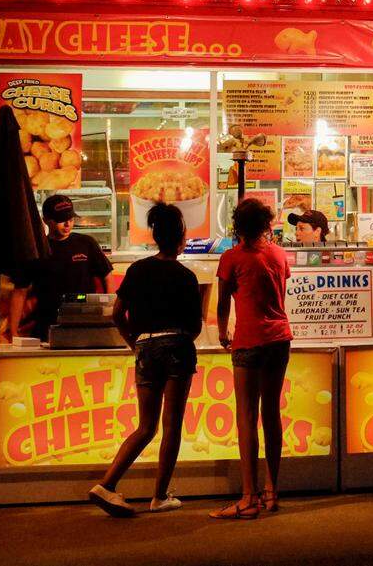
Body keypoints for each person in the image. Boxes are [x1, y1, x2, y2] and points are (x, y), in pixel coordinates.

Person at [89, 202, 202, 517]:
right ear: (180, 239)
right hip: (177, 347)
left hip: (146, 349)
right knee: (171, 426)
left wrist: (134, 343)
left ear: (155, 237)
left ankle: (106, 485)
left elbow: (116, 314)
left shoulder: (137, 270)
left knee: (146, 426)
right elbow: (194, 327)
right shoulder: (186, 276)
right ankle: (160, 496)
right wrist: (176, 340)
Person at [213, 198, 292, 519]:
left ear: (237, 227)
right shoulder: (278, 254)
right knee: (271, 414)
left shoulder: (231, 258)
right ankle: (272, 492)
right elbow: (280, 292)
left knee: (247, 417)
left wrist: (222, 333)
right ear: (266, 224)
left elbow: (221, 305)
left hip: (248, 341)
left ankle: (249, 497)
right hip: (279, 338)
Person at [10, 195, 111, 341]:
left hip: (85, 321)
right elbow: (20, 291)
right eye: (61, 220)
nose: (67, 224)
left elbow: (107, 276)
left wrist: (110, 313)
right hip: (48, 324)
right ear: (46, 221)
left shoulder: (86, 243)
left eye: (70, 218)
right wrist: (13, 332)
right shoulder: (36, 250)